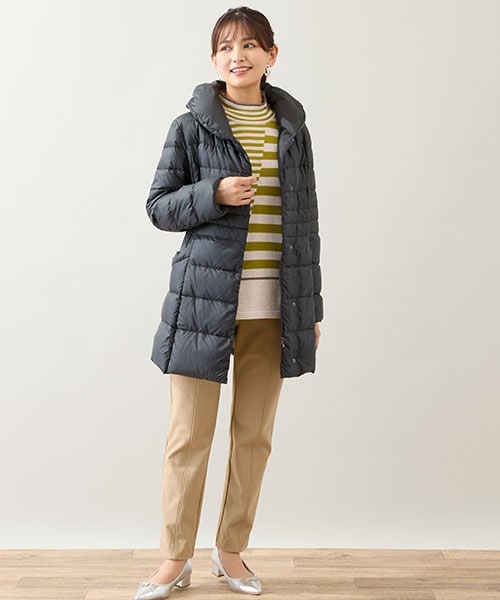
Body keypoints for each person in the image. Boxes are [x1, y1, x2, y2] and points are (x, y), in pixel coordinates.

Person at [135, 6, 323, 599]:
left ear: (271, 55)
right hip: (203, 303)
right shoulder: (190, 126)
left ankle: (231, 551)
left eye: (249, 45)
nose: (237, 56)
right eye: (225, 48)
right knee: (188, 437)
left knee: (254, 436)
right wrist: (212, 193)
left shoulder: (292, 129)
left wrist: (311, 310)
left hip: (275, 306)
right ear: (213, 59)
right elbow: (159, 206)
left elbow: (306, 222)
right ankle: (174, 559)